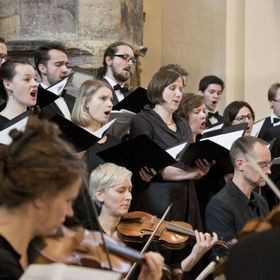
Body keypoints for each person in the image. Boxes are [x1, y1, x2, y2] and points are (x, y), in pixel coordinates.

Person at [89, 163, 218, 278]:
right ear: (100, 195)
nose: (128, 197)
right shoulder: (86, 235)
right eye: (121, 191)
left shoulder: (140, 236)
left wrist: (194, 256)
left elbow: (166, 274)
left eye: (130, 190)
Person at [0, 117, 86, 279]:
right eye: (68, 201)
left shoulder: (28, 249)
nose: (69, 213)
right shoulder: (5, 270)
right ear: (42, 196)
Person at [129, 69, 213, 228]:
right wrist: (191, 173)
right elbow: (155, 167)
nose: (179, 94)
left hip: (187, 200)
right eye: (172, 88)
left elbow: (189, 159)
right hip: (158, 201)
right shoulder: (142, 120)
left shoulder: (182, 123)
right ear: (159, 88)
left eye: (181, 89)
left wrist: (202, 167)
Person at [205, 136, 270, 242]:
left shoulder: (261, 201)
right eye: (262, 164)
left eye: (268, 164)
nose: (268, 171)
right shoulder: (219, 206)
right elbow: (224, 255)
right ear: (240, 164)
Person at [71, 79, 120, 173]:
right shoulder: (71, 140)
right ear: (86, 103)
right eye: (103, 98)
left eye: (111, 100)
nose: (110, 104)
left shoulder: (116, 143)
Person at [34, 42, 75, 119]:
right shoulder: (34, 102)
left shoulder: (73, 100)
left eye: (66, 65)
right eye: (58, 64)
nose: (65, 70)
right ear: (43, 69)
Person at [0, 59, 38, 129]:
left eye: (35, 79)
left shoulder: (40, 122)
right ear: (8, 84)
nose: (35, 84)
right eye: (27, 79)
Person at [96, 41, 135, 105]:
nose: (130, 63)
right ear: (109, 60)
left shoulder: (132, 96)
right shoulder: (95, 90)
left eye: (132, 60)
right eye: (125, 57)